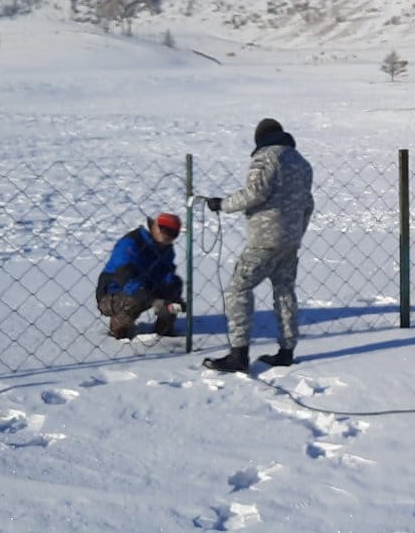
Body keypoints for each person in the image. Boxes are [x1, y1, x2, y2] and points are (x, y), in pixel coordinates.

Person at [200, 118, 316, 371]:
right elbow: (308, 204)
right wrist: (297, 233)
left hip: (264, 239)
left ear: (260, 138)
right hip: (290, 241)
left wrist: (222, 204)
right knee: (284, 292)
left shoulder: (265, 158)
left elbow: (256, 194)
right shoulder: (302, 163)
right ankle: (286, 351)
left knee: (238, 289)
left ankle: (238, 354)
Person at [96, 212, 186, 339]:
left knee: (174, 285)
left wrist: (173, 296)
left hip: (146, 287)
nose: (167, 235)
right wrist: (152, 300)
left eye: (173, 233)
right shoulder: (131, 243)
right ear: (154, 225)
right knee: (134, 298)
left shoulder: (166, 248)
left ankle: (164, 330)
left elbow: (166, 273)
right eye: (164, 229)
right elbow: (124, 278)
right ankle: (120, 329)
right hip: (114, 292)